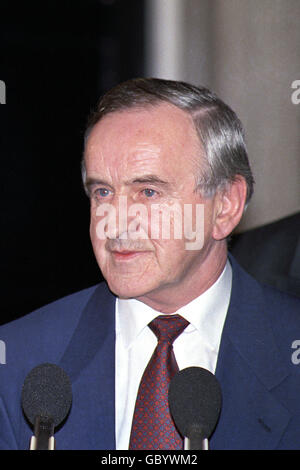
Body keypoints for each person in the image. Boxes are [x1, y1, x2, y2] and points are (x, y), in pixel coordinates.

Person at [1, 78, 300, 450]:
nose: (116, 222)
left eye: (148, 192)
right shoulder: (17, 361)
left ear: (225, 206)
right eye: (103, 192)